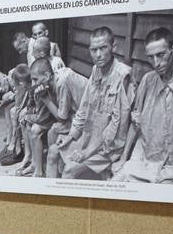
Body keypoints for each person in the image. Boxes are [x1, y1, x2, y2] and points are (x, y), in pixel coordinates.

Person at [119, 27, 173, 184]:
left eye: (160, 55)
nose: (156, 63)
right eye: (150, 57)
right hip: (144, 162)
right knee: (116, 185)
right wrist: (123, 158)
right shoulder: (148, 80)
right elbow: (136, 123)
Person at [55, 27, 134, 180]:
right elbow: (83, 108)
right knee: (53, 153)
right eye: (93, 50)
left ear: (113, 47)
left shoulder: (123, 76)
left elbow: (116, 128)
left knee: (69, 171)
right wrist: (71, 136)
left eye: (103, 48)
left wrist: (87, 152)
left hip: (108, 148)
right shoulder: (96, 70)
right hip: (90, 138)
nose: (98, 55)